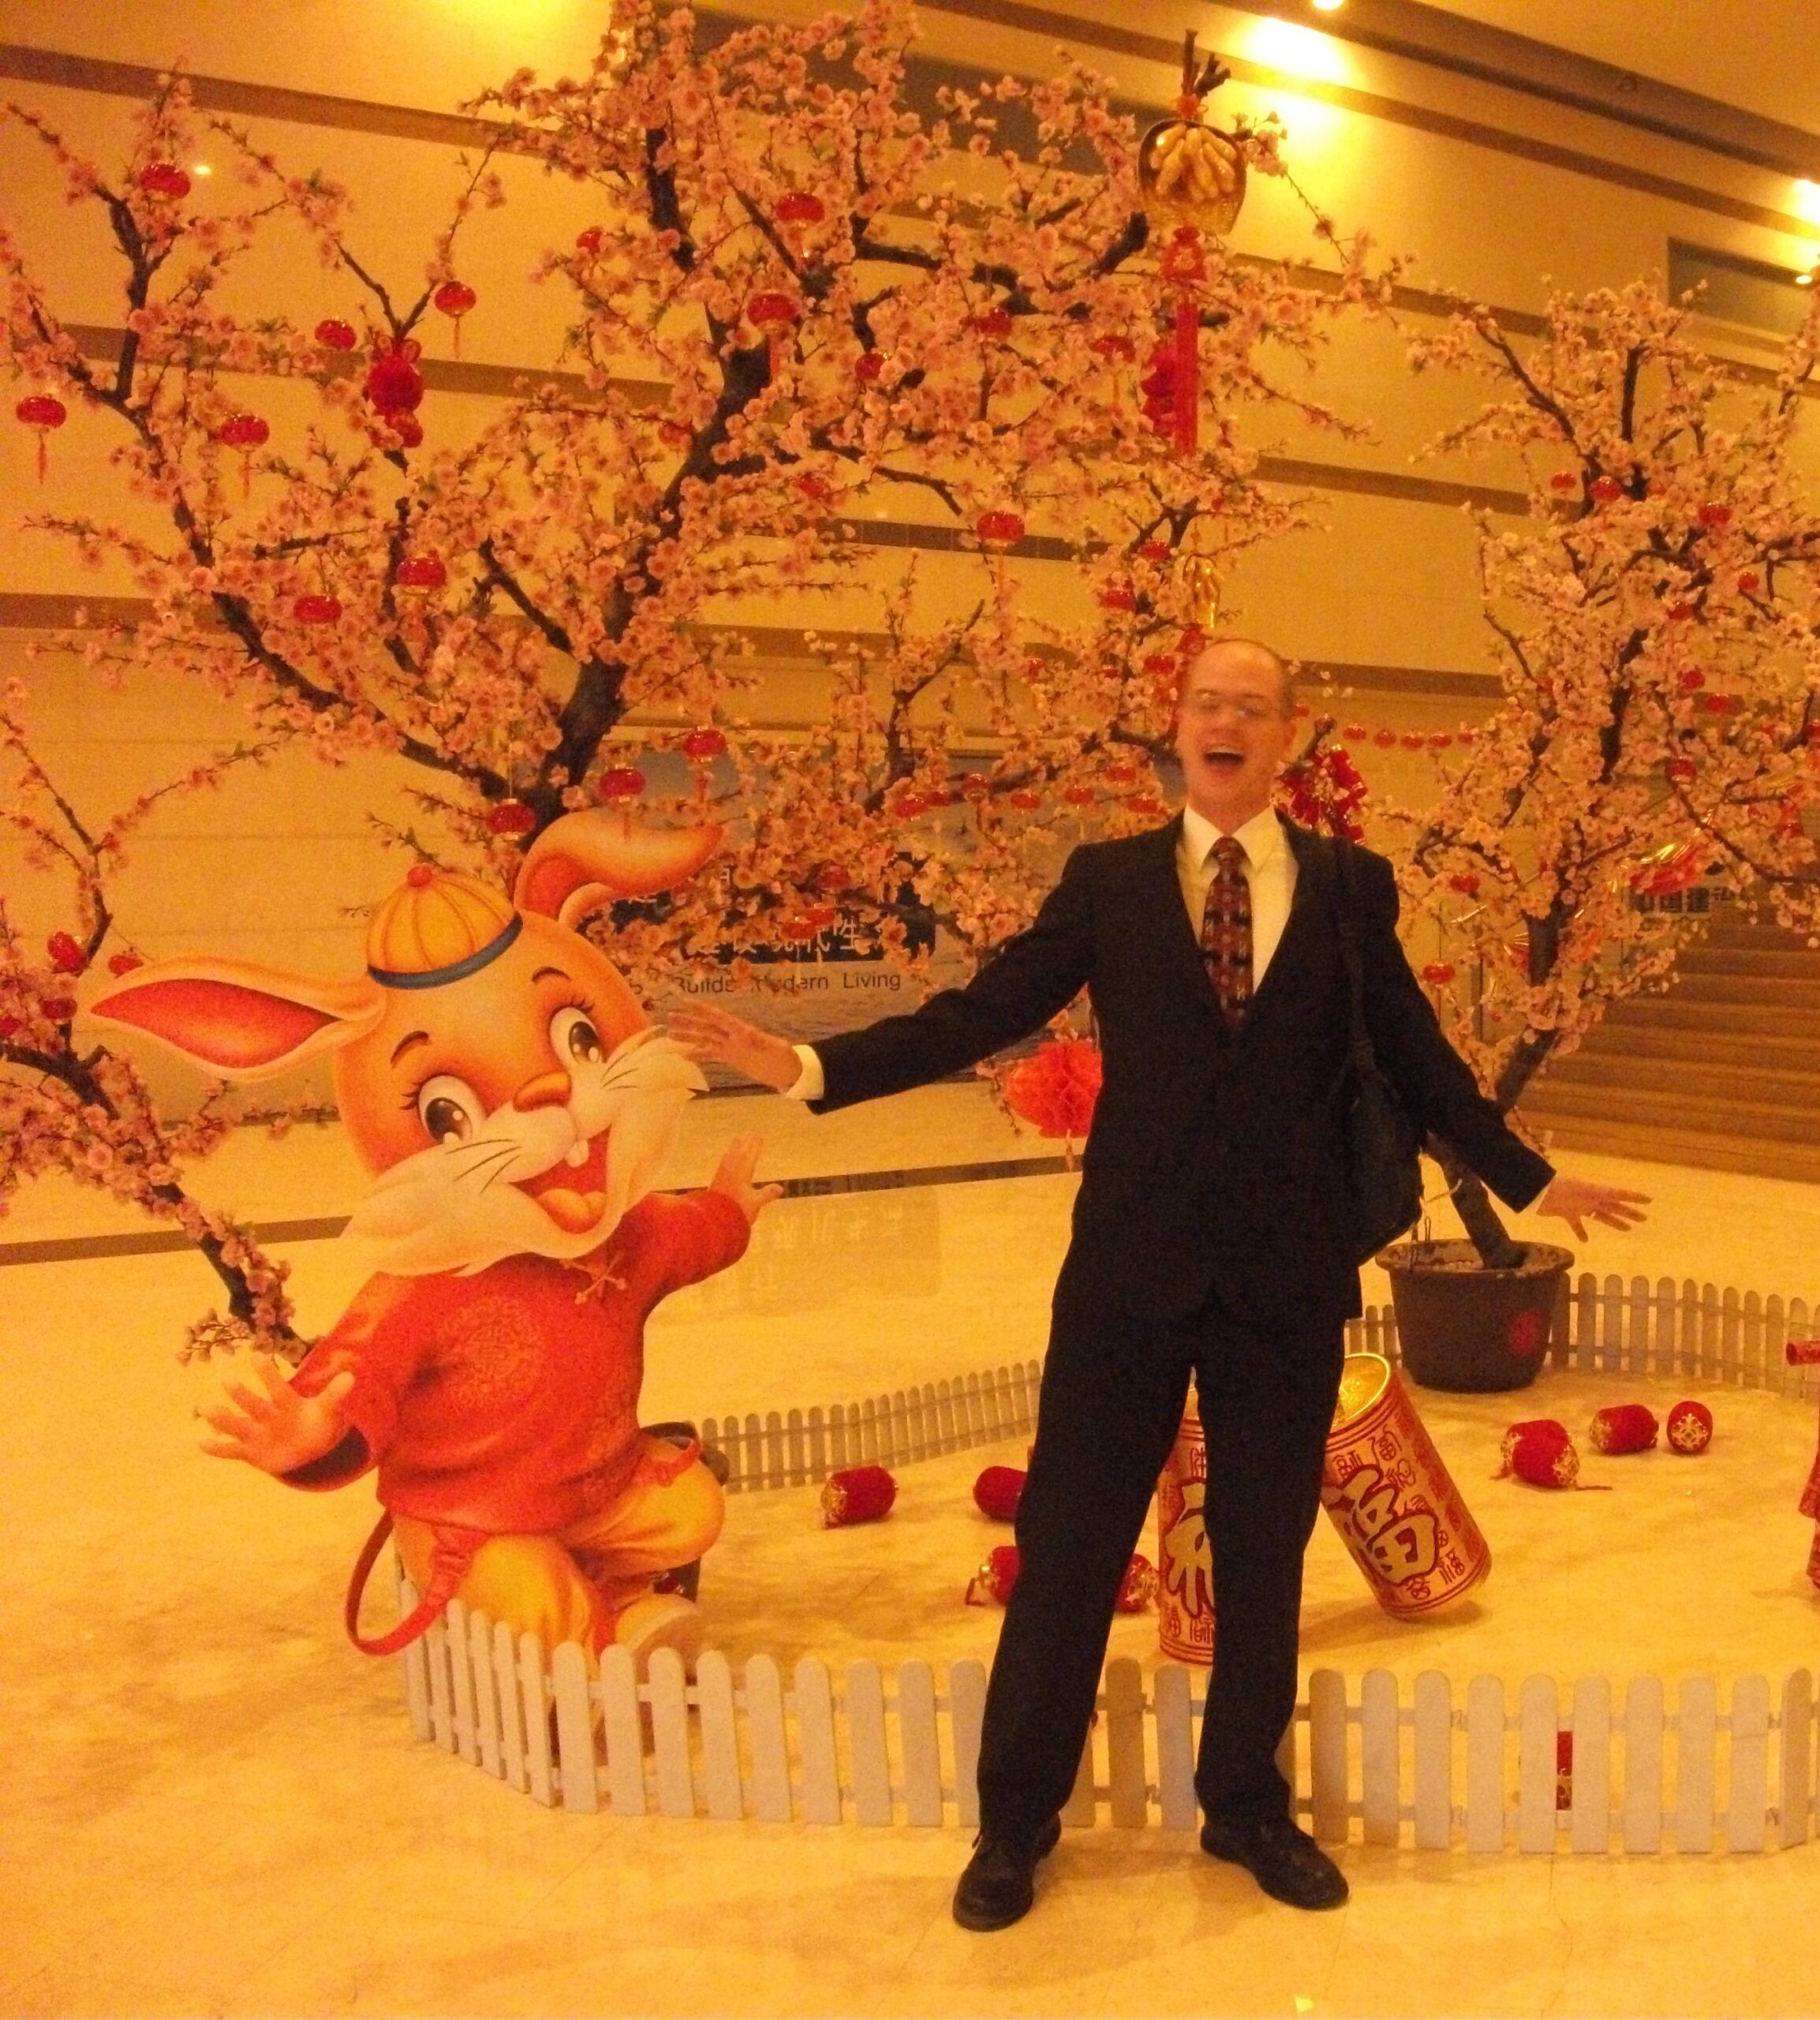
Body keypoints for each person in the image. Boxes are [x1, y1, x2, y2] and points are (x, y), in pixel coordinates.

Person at [670, 637, 1647, 1929]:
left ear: (1287, 734)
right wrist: (809, 1067)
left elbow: (1418, 1058)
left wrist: (1529, 1178)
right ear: (1177, 726)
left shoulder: (1349, 888)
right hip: (1127, 1274)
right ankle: (1015, 1821)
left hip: (1285, 1279)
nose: (1225, 721)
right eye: (1206, 702)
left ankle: (1244, 1805)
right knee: (1070, 1546)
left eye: (1252, 706)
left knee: (1262, 1551)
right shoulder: (1112, 881)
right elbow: (984, 1012)